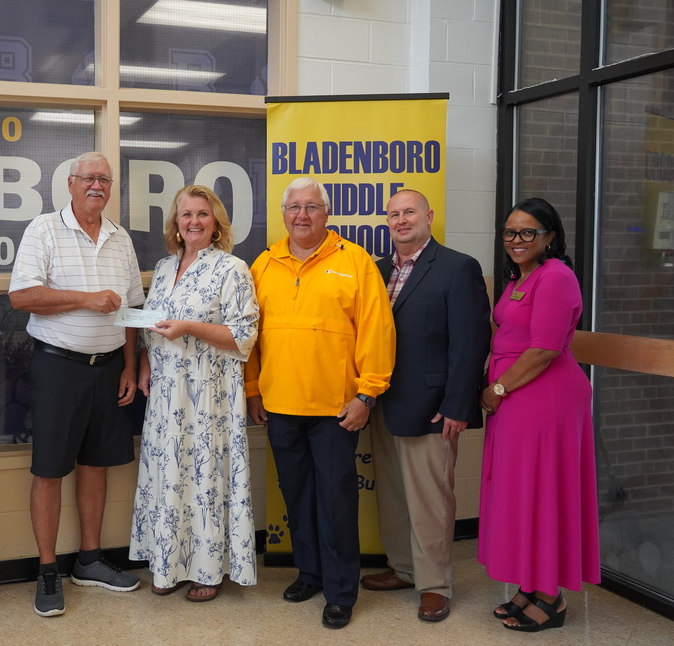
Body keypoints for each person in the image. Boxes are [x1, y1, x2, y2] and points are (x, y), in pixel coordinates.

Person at [246, 177, 395, 629]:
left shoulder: (355, 262)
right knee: (298, 497)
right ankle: (309, 572)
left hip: (336, 409)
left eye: (311, 206)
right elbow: (250, 334)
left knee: (335, 502)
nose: (302, 215)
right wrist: (253, 388)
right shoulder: (264, 264)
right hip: (280, 406)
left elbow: (377, 331)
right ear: (284, 213)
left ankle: (341, 590)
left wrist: (367, 392)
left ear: (326, 213)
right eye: (294, 207)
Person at [9, 152, 145, 617]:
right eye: (89, 178)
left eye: (104, 180)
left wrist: (129, 367)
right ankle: (48, 569)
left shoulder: (120, 237)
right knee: (49, 470)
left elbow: (130, 311)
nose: (97, 186)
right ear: (69, 184)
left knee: (96, 464)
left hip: (108, 369)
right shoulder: (43, 229)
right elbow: (22, 296)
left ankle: (89, 559)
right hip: (57, 368)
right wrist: (87, 300)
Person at [360, 189, 491, 622]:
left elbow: (471, 344)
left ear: (428, 216)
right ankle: (402, 568)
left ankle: (435, 585)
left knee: (430, 502)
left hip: (435, 408)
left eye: (409, 212)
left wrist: (458, 405)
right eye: (393, 215)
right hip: (383, 404)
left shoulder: (457, 268)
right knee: (395, 497)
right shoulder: (376, 272)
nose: (401, 220)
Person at [130, 185, 260, 602]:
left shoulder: (232, 268)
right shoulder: (164, 268)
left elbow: (244, 335)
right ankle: (169, 563)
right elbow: (153, 323)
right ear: (176, 224)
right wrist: (147, 362)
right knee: (170, 476)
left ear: (216, 222)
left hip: (209, 396)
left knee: (204, 479)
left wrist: (190, 327)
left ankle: (208, 570)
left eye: (202, 214)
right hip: (167, 395)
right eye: (186, 215)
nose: (194, 222)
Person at [478, 197, 600, 632]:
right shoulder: (520, 277)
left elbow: (545, 349)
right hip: (519, 396)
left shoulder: (557, 277)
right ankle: (531, 584)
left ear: (550, 237)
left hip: (543, 397)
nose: (516, 240)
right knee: (521, 488)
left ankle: (551, 596)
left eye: (528, 232)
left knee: (543, 489)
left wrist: (497, 387)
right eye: (510, 232)